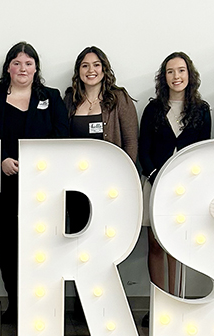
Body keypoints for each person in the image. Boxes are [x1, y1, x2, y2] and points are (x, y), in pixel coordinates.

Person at [0, 42, 69, 323]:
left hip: (41, 187)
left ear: (36, 68)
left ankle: (37, 303)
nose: (22, 68)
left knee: (39, 245)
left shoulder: (51, 97)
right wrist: (1, 160)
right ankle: (16, 303)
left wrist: (36, 163)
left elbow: (61, 135)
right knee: (7, 245)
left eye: (28, 63)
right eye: (17, 63)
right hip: (3, 186)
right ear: (8, 67)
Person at [139, 52, 212, 324]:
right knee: (156, 245)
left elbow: (202, 152)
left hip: (186, 189)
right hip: (156, 183)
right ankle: (160, 304)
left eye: (181, 70)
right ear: (164, 77)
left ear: (189, 75)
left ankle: (176, 302)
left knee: (177, 246)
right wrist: (156, 175)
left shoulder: (201, 110)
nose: (176, 76)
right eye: (170, 71)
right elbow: (143, 149)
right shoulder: (153, 109)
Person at [63, 46, 138, 233]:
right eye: (85, 66)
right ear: (78, 71)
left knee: (107, 233)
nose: (91, 71)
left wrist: (124, 177)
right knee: (78, 233)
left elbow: (131, 142)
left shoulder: (119, 98)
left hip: (109, 182)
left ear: (104, 69)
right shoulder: (69, 100)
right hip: (76, 183)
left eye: (96, 65)